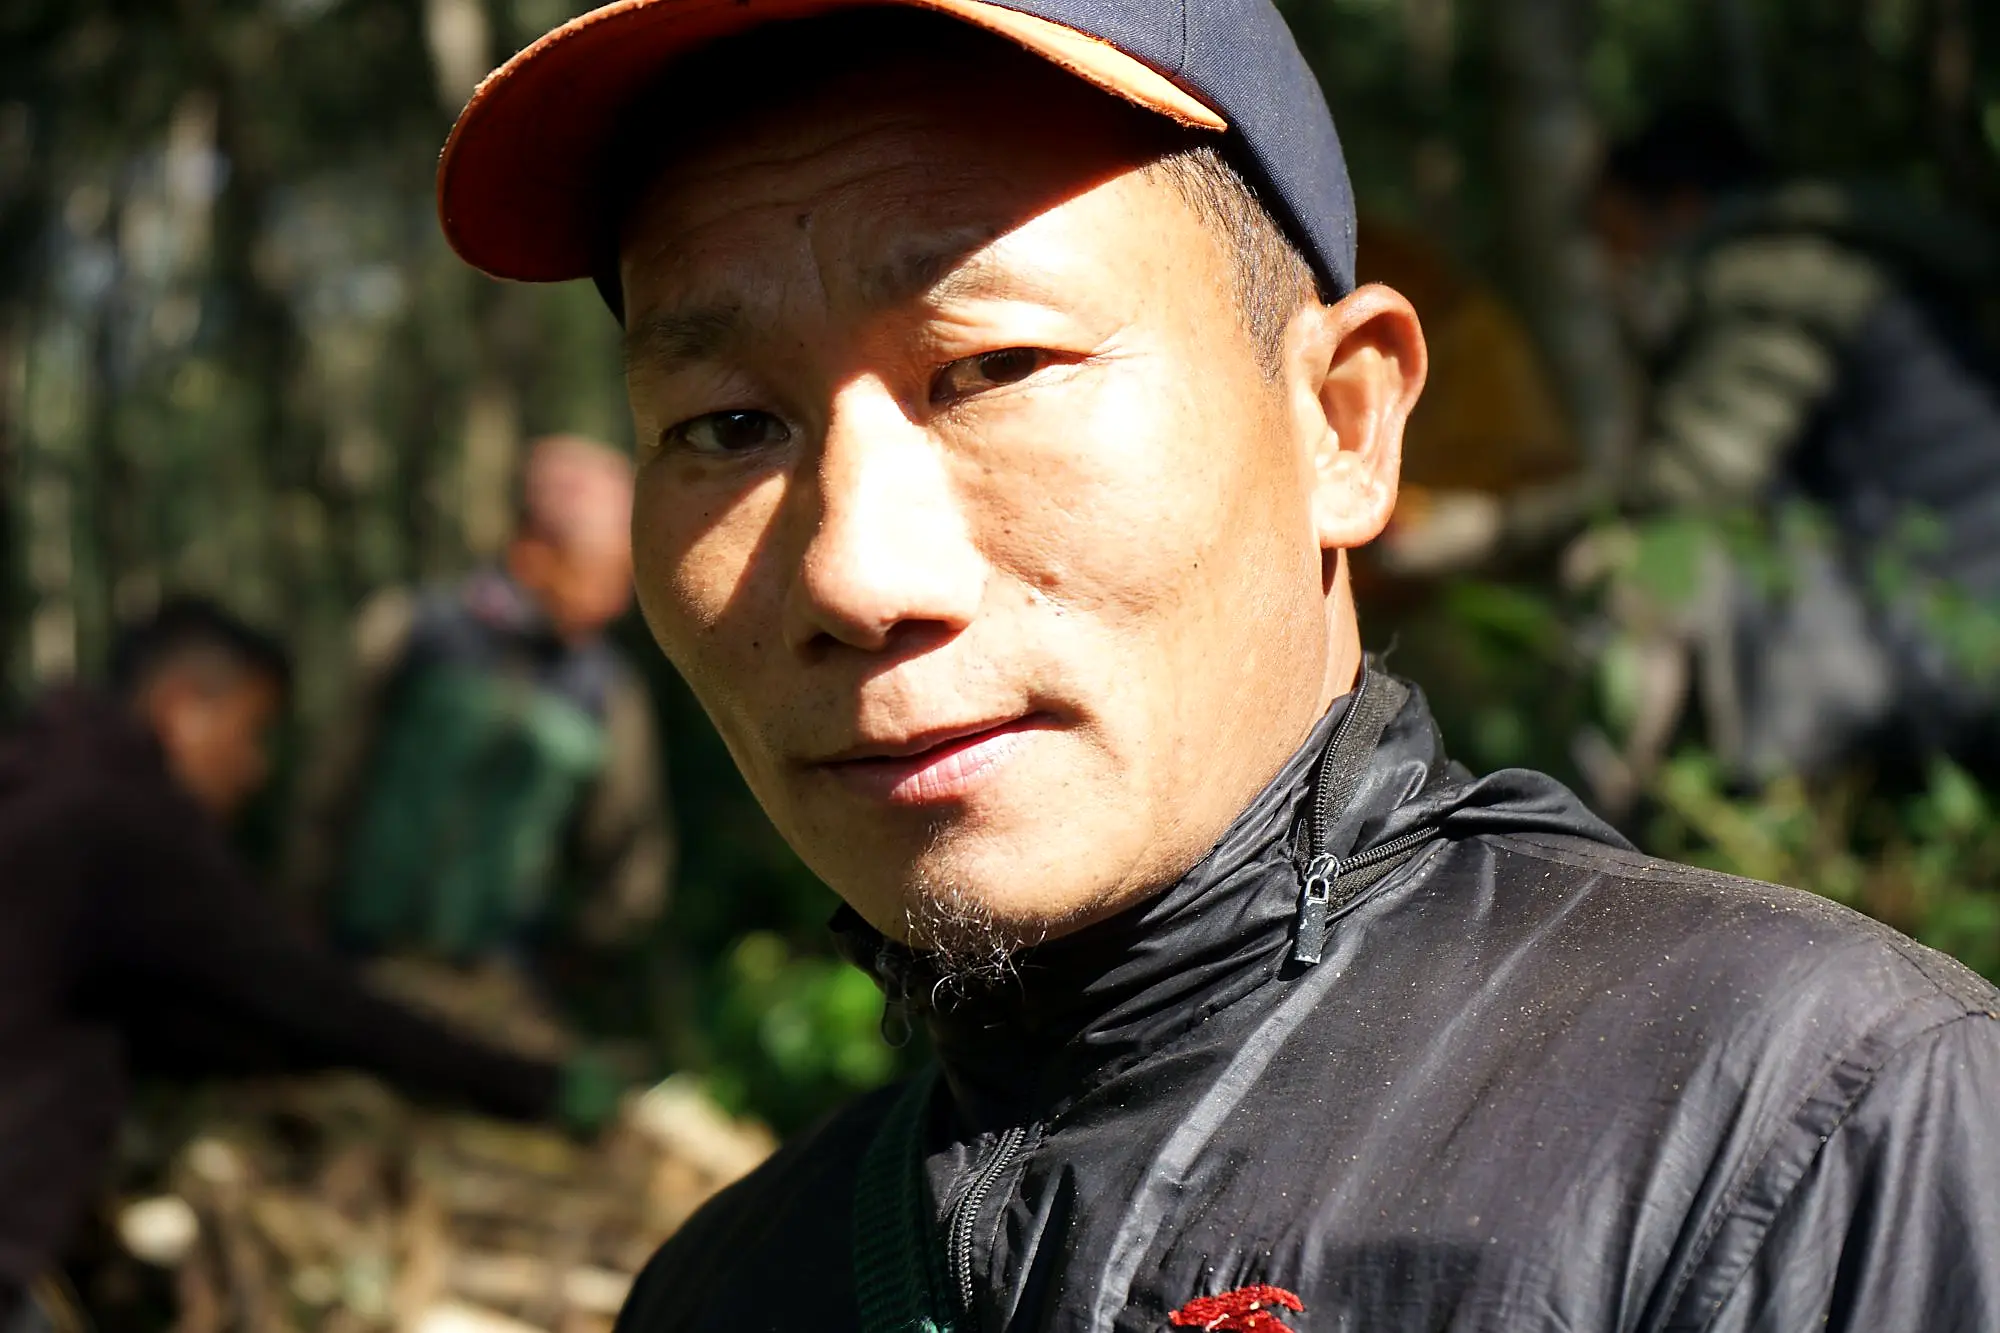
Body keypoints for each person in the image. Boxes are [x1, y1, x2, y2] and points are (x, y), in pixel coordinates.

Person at [434, 6, 2000, 1330]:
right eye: (725, 425)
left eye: (989, 369)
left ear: (1342, 423)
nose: (854, 573)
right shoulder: (736, 1286)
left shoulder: (1807, 1132)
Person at [0, 598, 616, 1333]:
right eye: (252, 731)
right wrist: (531, 1086)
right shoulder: (120, 825)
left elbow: (191, 1024)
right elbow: (306, 1003)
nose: (256, 769)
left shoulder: (40, 784)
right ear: (182, 706)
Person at [1381, 108, 2000, 787]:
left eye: (1625, 243)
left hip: (1948, 634)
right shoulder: (1833, 265)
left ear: (1681, 209)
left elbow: (1685, 483)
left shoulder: (1773, 282)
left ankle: (1606, 840)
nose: (1623, 272)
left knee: (1638, 562)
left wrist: (1486, 528)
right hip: (1940, 607)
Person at [289, 434, 675, 972]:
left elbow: (631, 858)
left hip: (495, 981)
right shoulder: (411, 633)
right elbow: (327, 784)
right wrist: (304, 914)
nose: (617, 602)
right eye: (604, 574)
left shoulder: (607, 691)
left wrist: (570, 960)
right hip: (357, 957)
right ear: (532, 554)